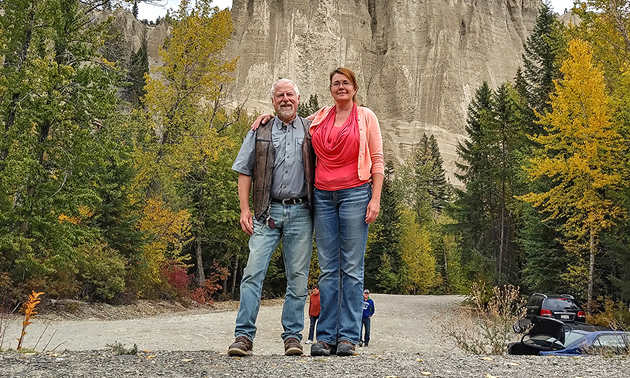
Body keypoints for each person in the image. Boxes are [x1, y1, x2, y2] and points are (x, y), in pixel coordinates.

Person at [251, 67, 384, 357]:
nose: (340, 88)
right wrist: (267, 119)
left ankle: (348, 336)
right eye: (336, 84)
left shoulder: (366, 117)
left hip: (355, 195)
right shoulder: (320, 117)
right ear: (331, 89)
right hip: (322, 197)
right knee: (327, 268)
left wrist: (375, 198)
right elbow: (289, 121)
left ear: (354, 87)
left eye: (345, 83)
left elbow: (377, 160)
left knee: (351, 267)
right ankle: (324, 337)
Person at [228, 78, 316, 357]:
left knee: (298, 279)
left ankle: (293, 337)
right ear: (273, 101)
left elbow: (338, 111)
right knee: (252, 273)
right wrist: (245, 209)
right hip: (266, 212)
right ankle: (243, 337)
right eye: (280, 95)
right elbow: (245, 171)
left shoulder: (312, 129)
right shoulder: (259, 129)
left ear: (299, 99)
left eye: (290, 94)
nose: (285, 99)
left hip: (302, 212)